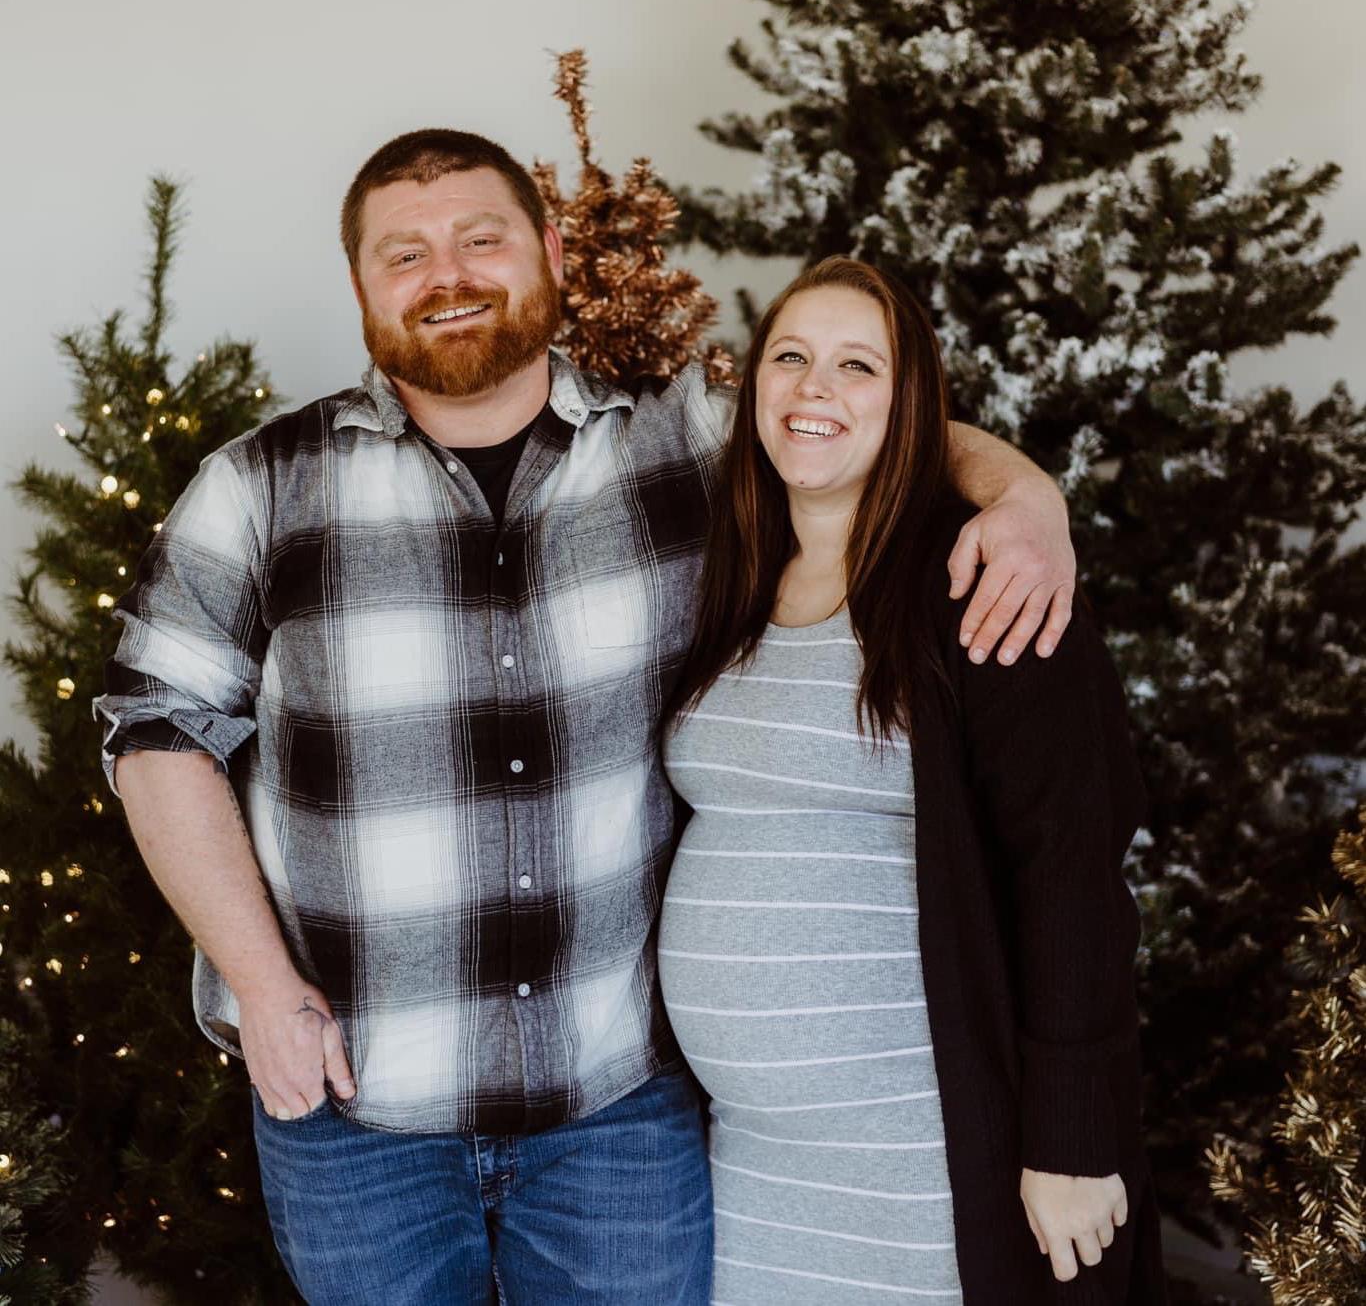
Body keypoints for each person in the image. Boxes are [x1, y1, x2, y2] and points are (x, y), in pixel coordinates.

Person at [95, 130, 1081, 1305]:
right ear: (360, 283)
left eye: (482, 238)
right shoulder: (260, 487)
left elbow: (853, 423)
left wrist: (1026, 496)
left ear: (552, 254)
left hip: (618, 1115)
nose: (447, 275)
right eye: (404, 253)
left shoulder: (684, 443)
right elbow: (155, 731)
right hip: (357, 1112)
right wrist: (263, 988)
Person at [658, 257, 1167, 1304]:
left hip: (926, 1150)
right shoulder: (732, 571)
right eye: (790, 356)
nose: (814, 387)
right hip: (751, 1166)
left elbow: (1070, 862)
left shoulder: (986, 580)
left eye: (858, 366)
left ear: (912, 406)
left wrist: (1071, 1137)